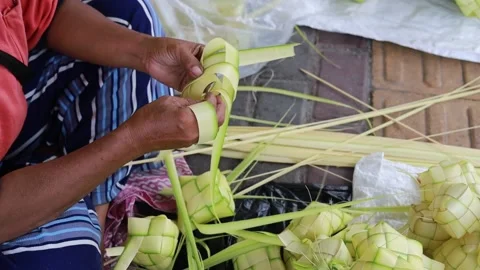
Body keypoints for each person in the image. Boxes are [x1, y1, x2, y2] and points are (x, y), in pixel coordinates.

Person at [0, 0, 225, 268]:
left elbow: (46, 13)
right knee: (70, 251)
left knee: (129, 15)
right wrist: (135, 138)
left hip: (12, 102)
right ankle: (77, 211)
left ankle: (95, 206)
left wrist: (145, 52)